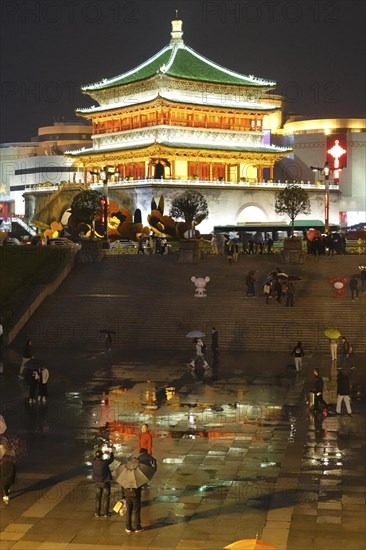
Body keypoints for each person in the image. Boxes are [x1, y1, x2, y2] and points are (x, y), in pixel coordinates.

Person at [92, 448, 114, 518]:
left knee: (98, 498)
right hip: (105, 482)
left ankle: (97, 513)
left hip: (97, 482)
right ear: (101, 456)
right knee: (106, 498)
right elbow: (111, 459)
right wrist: (111, 453)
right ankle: (106, 513)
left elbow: (93, 458)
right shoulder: (104, 462)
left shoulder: (94, 462)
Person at [0, 415, 17, 504]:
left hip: (4, 459)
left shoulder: (5, 438)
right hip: (6, 460)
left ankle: (5, 492)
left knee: (5, 475)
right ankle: (6, 492)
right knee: (5, 476)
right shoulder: (7, 436)